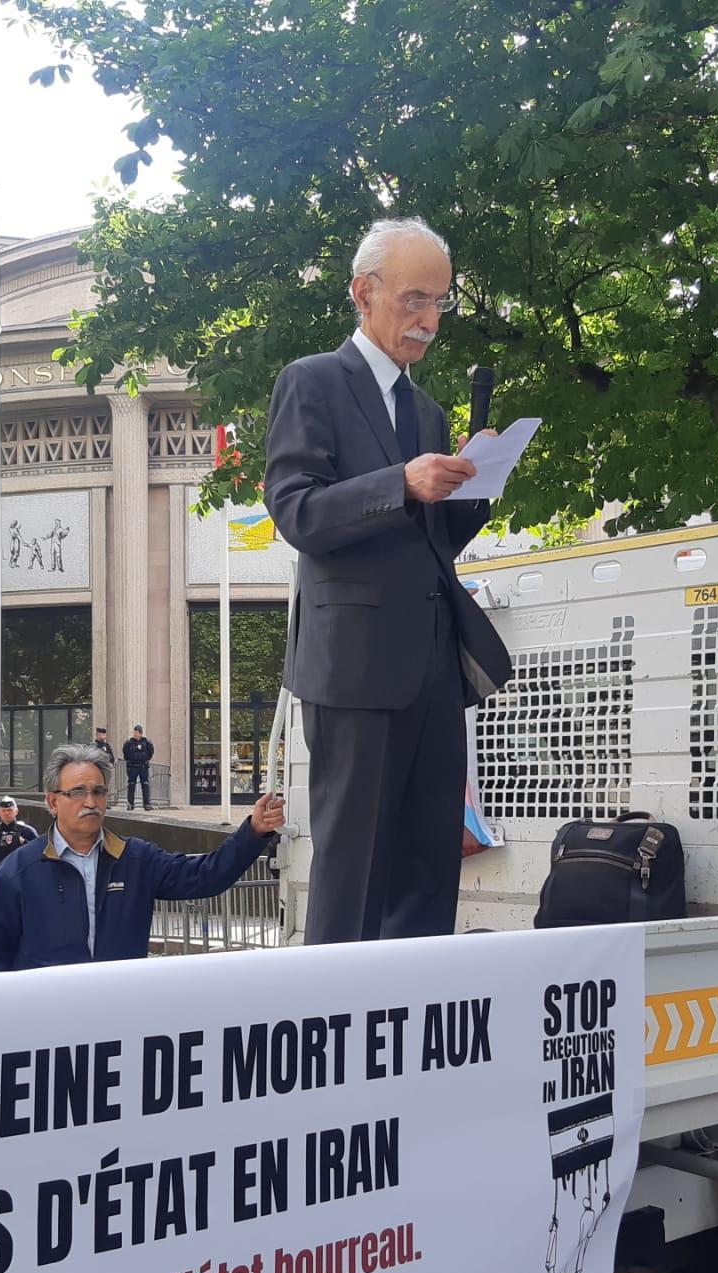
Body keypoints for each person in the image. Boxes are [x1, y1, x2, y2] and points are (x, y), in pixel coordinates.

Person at [265, 216, 512, 944]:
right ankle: (336, 1007)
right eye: (414, 300)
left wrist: (474, 486)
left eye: (440, 302)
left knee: (431, 865)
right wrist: (400, 481)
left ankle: (419, 999)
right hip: (354, 667)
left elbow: (430, 545)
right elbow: (297, 511)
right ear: (363, 293)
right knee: (355, 871)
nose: (429, 320)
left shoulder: (426, 410)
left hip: (433, 666)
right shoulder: (311, 381)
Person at [0, 744, 285, 972]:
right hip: (47, 1027)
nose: (90, 802)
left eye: (99, 792)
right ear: (53, 802)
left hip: (121, 1020)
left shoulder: (135, 859)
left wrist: (253, 832)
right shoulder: (19, 870)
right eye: (77, 792)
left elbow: (205, 875)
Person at [122, 725, 155, 810]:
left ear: (140, 733)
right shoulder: (129, 742)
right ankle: (130, 804)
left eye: (136, 733)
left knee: (145, 784)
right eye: (134, 732)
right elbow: (125, 753)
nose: (135, 734)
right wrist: (130, 760)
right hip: (133, 766)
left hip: (143, 766)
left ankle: (147, 804)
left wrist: (145, 759)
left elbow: (151, 752)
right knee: (131, 784)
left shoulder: (146, 742)